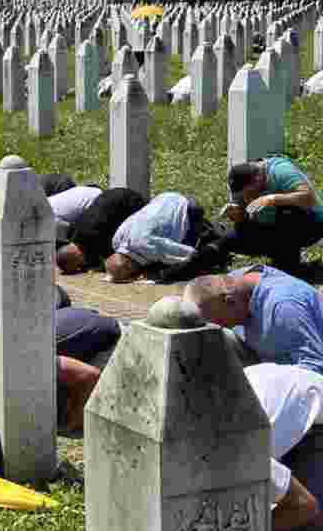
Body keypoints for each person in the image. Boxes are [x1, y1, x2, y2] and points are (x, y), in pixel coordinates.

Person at [183, 267, 323, 376]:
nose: (220, 326)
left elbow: (315, 368)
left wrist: (264, 381)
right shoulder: (235, 283)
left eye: (220, 321)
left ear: (229, 301)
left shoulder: (284, 308)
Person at [244, 363, 323, 531]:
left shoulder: (242, 457)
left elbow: (304, 505)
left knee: (310, 529)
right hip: (276, 384)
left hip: (311, 408)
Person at [217, 158, 323, 273]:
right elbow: (246, 224)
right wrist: (239, 217)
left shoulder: (280, 171)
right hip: (270, 227)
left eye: (249, 193)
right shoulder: (243, 186)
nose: (247, 197)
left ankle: (288, 266)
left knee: (287, 211)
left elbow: (308, 198)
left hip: (310, 223)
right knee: (225, 239)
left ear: (257, 179)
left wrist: (272, 199)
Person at [104, 192, 202, 283]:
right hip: (163, 198)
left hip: (185, 206)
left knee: (189, 259)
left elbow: (187, 254)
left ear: (130, 267)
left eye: (129, 274)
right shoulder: (116, 241)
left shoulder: (148, 249)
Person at [56, 188, 148, 274]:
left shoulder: (95, 240)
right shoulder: (73, 231)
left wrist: (99, 267)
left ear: (77, 256)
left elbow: (115, 259)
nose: (81, 266)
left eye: (78, 265)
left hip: (131, 202)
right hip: (112, 194)